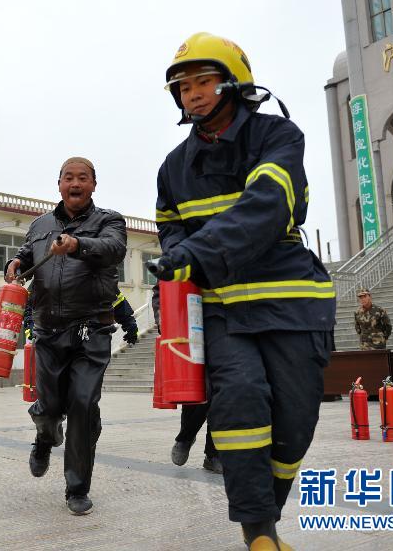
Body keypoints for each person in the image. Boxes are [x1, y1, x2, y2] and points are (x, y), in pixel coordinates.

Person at [148, 32, 335, 550]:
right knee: (239, 402)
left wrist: (192, 253)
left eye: (203, 82)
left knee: (295, 420)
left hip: (290, 300)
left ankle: (268, 511)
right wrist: (176, 258)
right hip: (222, 307)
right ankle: (259, 533)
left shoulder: (278, 136)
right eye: (183, 88)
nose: (192, 95)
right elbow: (170, 228)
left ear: (234, 81)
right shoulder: (172, 167)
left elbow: (267, 206)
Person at [5, 156, 126, 516]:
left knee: (83, 405)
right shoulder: (40, 224)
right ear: (59, 184)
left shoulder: (109, 221)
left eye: (83, 178)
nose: (75, 183)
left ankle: (77, 488)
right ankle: (44, 437)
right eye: (68, 177)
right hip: (48, 331)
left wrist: (76, 244)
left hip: (92, 330)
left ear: (93, 185)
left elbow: (113, 249)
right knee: (48, 407)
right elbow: (27, 255)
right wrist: (14, 263)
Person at [152, 284, 222, 473]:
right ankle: (186, 437)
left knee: (221, 392)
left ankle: (213, 454)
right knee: (196, 390)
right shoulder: (182, 263)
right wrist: (162, 315)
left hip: (225, 327)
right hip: (189, 326)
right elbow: (161, 288)